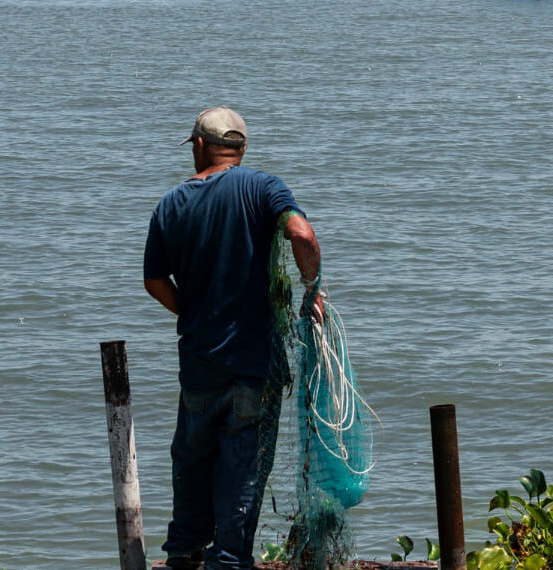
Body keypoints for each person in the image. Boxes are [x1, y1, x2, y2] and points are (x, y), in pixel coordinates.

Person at [143, 106, 324, 570]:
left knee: (191, 462)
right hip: (252, 366)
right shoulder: (263, 187)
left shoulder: (170, 203)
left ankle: (183, 554)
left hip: (199, 367)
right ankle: (228, 562)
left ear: (199, 146)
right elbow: (301, 234)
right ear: (242, 148)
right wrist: (311, 291)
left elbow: (154, 281)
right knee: (242, 473)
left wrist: (194, 311)